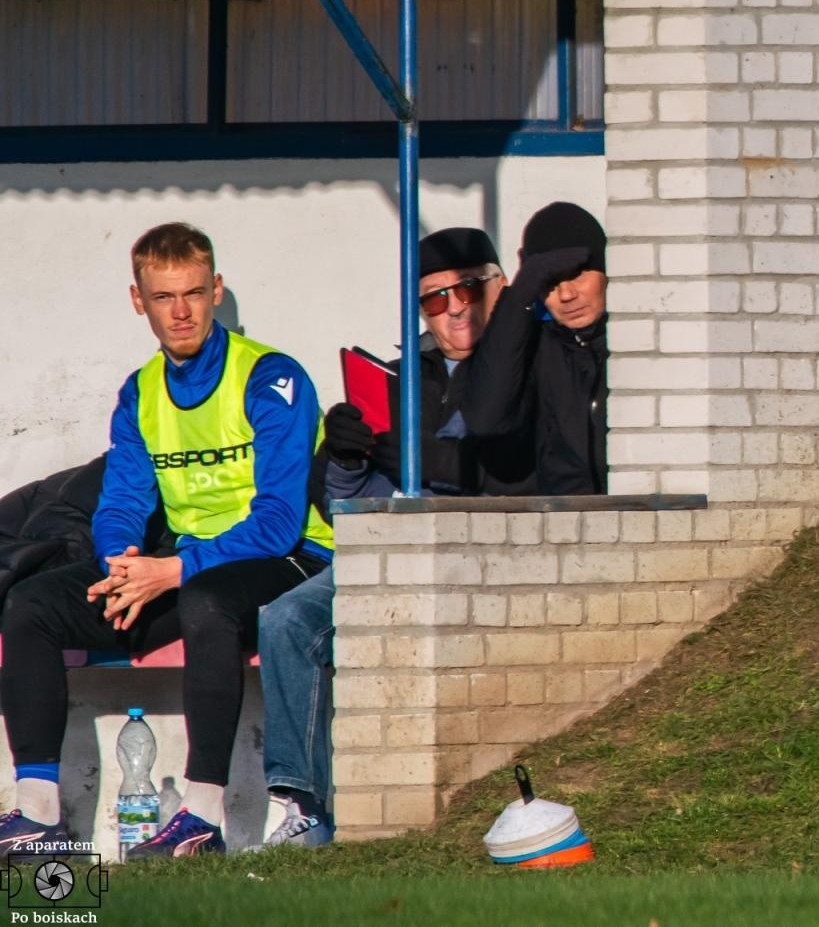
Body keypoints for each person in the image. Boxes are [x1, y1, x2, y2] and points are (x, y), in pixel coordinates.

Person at [257, 216, 604, 846]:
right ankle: (300, 803)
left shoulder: (536, 356)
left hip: (483, 554)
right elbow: (340, 509)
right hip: (390, 555)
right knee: (285, 619)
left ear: (501, 287)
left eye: (468, 290)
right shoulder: (402, 377)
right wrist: (346, 455)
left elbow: (523, 461)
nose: (456, 310)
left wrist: (434, 463)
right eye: (435, 300)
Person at [0, 223, 332, 857]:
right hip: (188, 564)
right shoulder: (141, 391)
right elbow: (122, 501)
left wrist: (173, 571)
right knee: (31, 604)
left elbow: (279, 521)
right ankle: (38, 815)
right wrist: (122, 563)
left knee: (206, 600)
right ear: (138, 300)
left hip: (290, 559)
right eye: (163, 297)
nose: (181, 312)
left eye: (194, 294)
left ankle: (201, 820)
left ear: (216, 290)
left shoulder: (271, 376)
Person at [461, 201, 609, 496]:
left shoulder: (643, 345)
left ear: (606, 272)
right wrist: (520, 294)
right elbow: (484, 419)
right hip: (565, 520)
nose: (566, 295)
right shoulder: (535, 349)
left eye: (577, 275)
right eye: (549, 282)